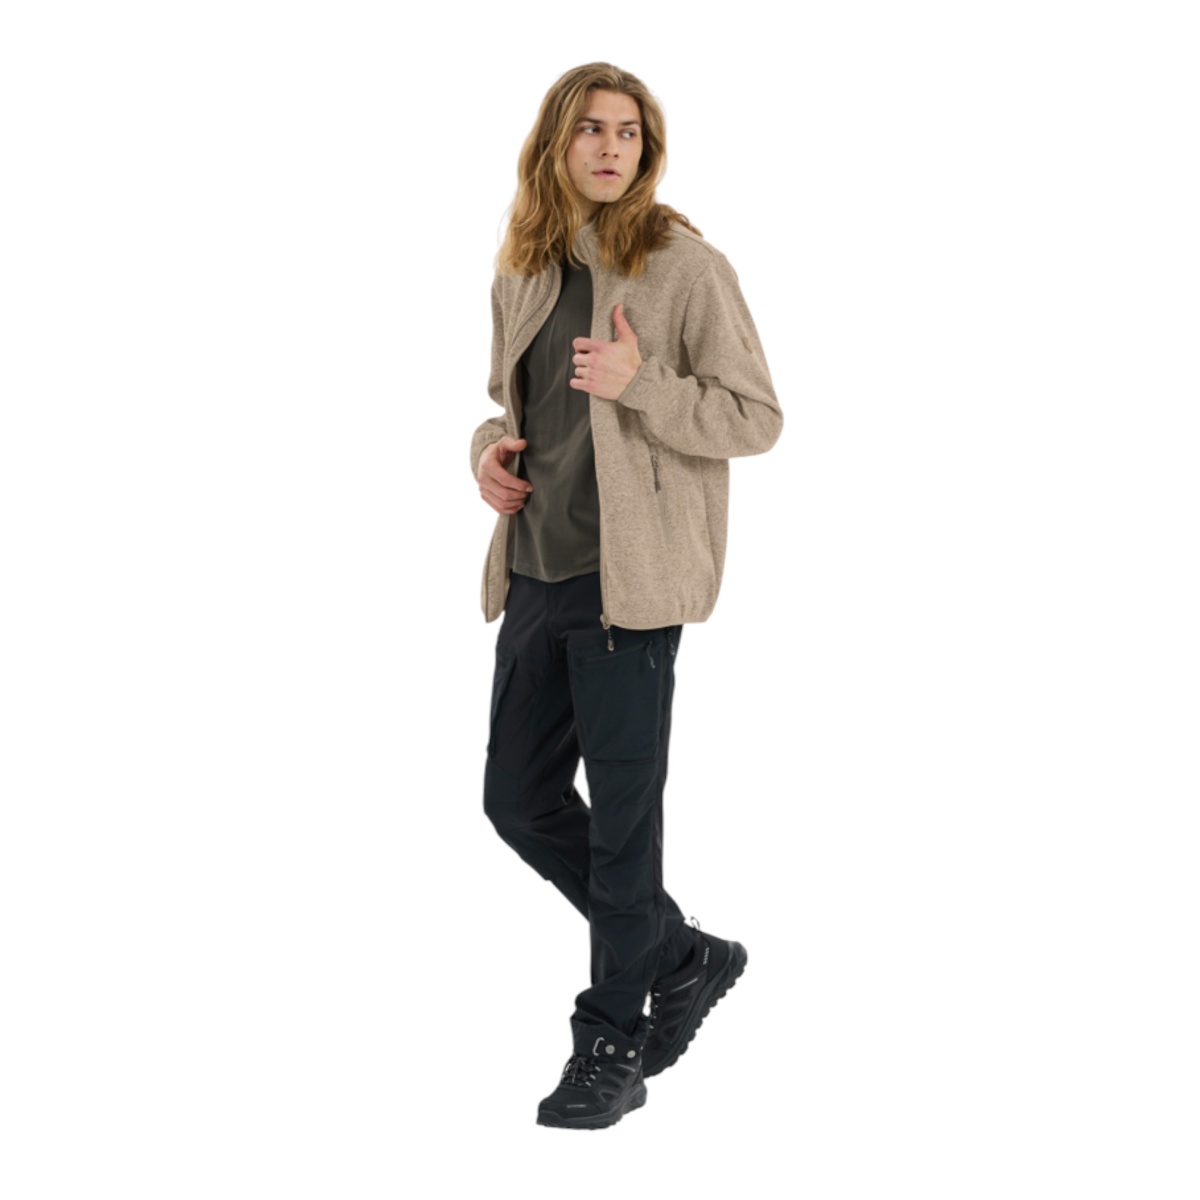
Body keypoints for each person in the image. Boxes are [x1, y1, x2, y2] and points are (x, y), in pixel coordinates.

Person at [471, 63, 782, 1130]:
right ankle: (683, 953)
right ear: (556, 144)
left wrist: (640, 383)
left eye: (630, 133)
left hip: (629, 593)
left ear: (648, 151)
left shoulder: (685, 266)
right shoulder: (524, 269)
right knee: (517, 801)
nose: (612, 148)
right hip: (534, 573)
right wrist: (487, 455)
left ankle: (610, 1042)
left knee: (621, 833)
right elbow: (506, 407)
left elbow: (755, 416)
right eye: (592, 130)